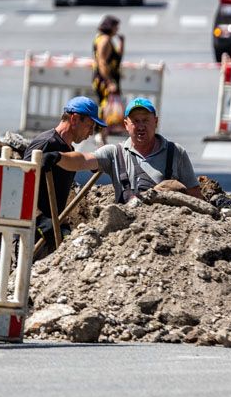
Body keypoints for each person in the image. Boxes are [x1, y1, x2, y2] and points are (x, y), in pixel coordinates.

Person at [62, 97, 203, 202]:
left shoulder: (175, 153)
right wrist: (58, 157)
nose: (141, 126)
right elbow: (83, 160)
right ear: (126, 125)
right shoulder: (115, 153)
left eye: (145, 120)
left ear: (156, 121)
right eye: (135, 121)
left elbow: (195, 196)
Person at [27, 96, 105, 252]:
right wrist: (41, 219)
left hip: (50, 230)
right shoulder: (47, 143)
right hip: (32, 233)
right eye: (90, 126)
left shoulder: (68, 150)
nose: (90, 133)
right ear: (75, 119)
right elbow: (19, 184)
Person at [91, 15, 124, 143]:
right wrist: (109, 81)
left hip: (106, 78)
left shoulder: (104, 39)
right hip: (104, 80)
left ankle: (102, 135)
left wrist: (122, 43)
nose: (118, 30)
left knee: (106, 107)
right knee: (105, 106)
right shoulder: (104, 40)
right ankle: (100, 134)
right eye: (116, 27)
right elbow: (102, 62)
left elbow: (116, 57)